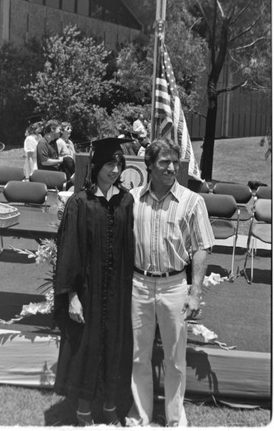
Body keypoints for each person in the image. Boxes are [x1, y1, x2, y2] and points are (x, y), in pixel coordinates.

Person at [127, 138, 215, 427]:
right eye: (164, 162)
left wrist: (195, 291)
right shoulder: (132, 198)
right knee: (139, 357)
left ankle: (176, 420)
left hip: (174, 286)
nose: (171, 167)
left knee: (175, 361)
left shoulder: (192, 201)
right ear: (149, 165)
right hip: (138, 285)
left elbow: (202, 247)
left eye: (175, 162)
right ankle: (141, 416)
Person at [53, 137, 135, 426]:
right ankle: (84, 408)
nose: (115, 170)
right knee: (86, 348)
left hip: (117, 293)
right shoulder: (80, 202)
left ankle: (111, 405)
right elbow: (69, 251)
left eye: (119, 164)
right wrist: (71, 294)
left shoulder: (126, 201)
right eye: (110, 164)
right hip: (88, 291)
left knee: (114, 345)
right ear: (97, 165)